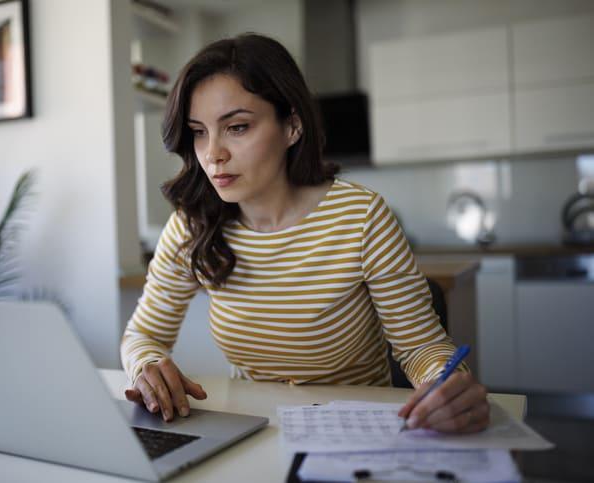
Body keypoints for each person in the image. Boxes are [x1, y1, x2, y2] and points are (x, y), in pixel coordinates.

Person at [121, 33, 490, 434]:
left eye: (237, 127)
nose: (213, 154)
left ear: (292, 126)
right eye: (198, 131)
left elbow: (421, 347)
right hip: (254, 431)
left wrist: (445, 384)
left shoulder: (361, 216)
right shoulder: (193, 225)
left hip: (358, 434)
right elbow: (144, 334)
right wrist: (145, 367)